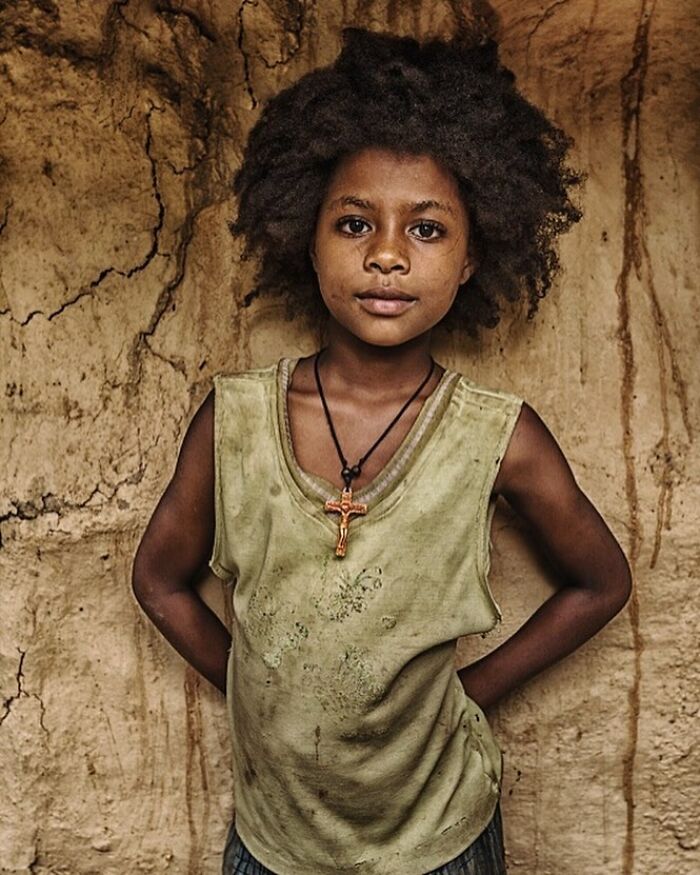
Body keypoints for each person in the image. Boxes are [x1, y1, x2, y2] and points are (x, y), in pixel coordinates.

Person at [132, 27, 632, 875]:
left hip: (439, 839)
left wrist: (471, 692)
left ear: (472, 258)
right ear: (307, 237)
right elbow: (158, 578)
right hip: (275, 843)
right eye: (355, 222)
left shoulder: (494, 437)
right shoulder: (236, 421)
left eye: (427, 229)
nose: (388, 255)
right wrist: (253, 693)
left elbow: (602, 581)